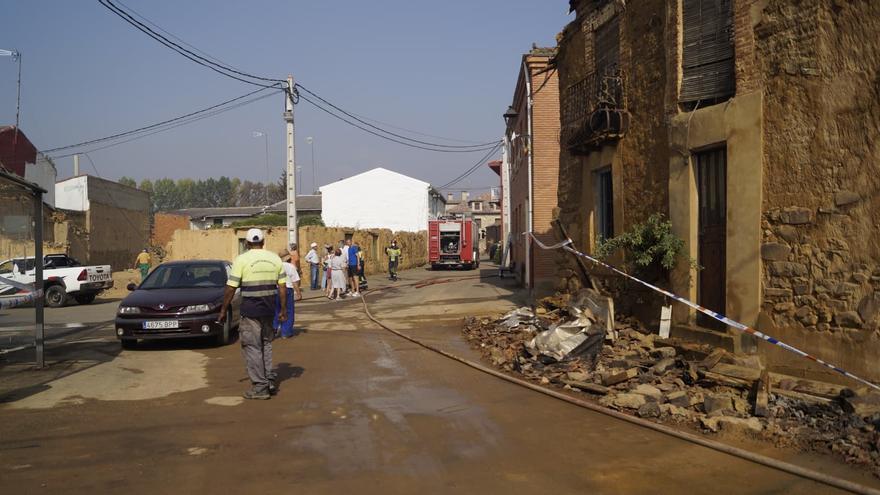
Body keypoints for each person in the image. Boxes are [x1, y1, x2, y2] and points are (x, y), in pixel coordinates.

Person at [219, 228, 286, 400]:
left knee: (252, 347)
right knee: (266, 344)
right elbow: (282, 288)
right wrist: (283, 310)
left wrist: (223, 309)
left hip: (250, 311)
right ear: (263, 241)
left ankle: (260, 387)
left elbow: (231, 287)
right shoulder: (275, 259)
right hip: (269, 309)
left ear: (247, 244)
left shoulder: (241, 260)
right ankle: (268, 378)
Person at [275, 250, 303, 338]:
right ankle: (286, 332)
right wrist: (298, 293)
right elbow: (294, 281)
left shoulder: (276, 266)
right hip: (288, 289)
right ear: (289, 258)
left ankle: (274, 328)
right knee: (289, 310)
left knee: (276, 309)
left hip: (277, 289)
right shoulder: (291, 267)